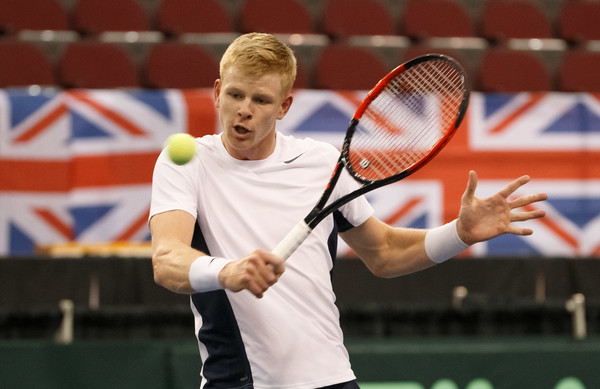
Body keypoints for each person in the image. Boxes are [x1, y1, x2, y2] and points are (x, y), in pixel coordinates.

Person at [149, 33, 547, 389]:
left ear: (284, 106)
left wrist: (459, 233)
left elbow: (384, 253)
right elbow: (168, 261)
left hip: (334, 378)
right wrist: (227, 270)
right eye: (235, 95)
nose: (244, 110)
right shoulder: (186, 161)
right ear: (217, 92)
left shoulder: (322, 164)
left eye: (261, 100)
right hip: (239, 381)